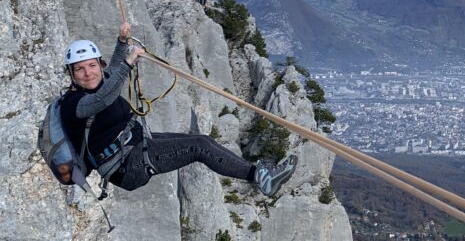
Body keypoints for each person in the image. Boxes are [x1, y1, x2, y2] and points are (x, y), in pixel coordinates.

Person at [58, 22, 297, 194]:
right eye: (79, 69)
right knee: (199, 147)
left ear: (98, 65)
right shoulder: (74, 104)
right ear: (71, 74)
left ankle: (258, 172)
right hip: (127, 166)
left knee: (202, 140)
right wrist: (130, 63)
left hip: (134, 147)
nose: (88, 73)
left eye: (91, 65)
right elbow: (103, 99)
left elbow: (112, 71)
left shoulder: (99, 81)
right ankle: (260, 179)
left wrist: (122, 42)